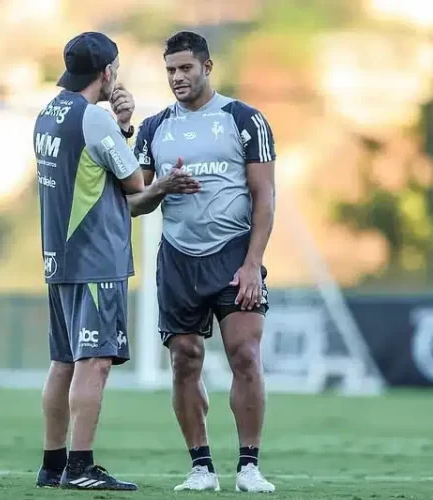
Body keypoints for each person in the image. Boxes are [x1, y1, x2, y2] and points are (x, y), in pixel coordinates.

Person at [129, 31, 276, 493]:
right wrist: (161, 188)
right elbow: (134, 203)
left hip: (234, 253)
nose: (177, 77)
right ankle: (201, 467)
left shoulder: (243, 119)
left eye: (186, 68)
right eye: (170, 69)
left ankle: (249, 466)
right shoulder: (155, 128)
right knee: (185, 361)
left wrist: (253, 264)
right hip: (178, 258)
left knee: (245, 356)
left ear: (207, 68)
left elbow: (264, 197)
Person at [33, 31, 144, 491]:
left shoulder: (46, 113)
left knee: (63, 361)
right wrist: (123, 126)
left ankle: (52, 463)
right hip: (96, 258)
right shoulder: (92, 120)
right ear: (107, 72)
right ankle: (79, 467)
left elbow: (88, 168)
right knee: (94, 361)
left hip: (58, 258)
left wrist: (117, 125)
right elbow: (135, 182)